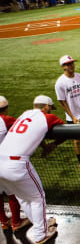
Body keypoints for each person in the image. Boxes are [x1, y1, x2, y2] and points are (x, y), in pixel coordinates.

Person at [0, 95, 64, 244]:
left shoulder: (24, 114)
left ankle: (41, 223)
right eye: (50, 108)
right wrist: (53, 144)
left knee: (23, 196)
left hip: (0, 161)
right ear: (46, 107)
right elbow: (61, 127)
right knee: (38, 197)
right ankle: (41, 234)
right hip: (17, 164)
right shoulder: (48, 117)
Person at [0, 96, 31, 232]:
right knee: (12, 193)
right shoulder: (5, 120)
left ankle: (4, 221)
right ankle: (16, 222)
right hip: (4, 164)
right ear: (6, 109)